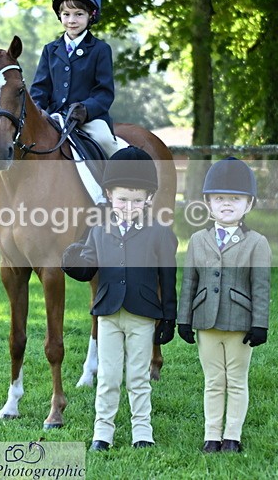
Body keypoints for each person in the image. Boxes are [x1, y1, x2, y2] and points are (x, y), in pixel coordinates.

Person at [62, 147, 177, 451]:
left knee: (138, 378)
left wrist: (169, 317)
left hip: (142, 315)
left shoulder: (160, 233)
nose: (129, 206)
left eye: (137, 200)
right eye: (123, 199)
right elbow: (88, 267)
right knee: (108, 377)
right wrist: (71, 261)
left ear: (149, 199)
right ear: (110, 195)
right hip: (108, 315)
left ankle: (143, 433)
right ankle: (103, 433)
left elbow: (168, 279)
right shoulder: (98, 230)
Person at [177, 157, 271, 453]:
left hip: (239, 323)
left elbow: (260, 285)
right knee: (213, 381)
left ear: (249, 204)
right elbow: (189, 282)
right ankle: (211, 436)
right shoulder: (196, 240)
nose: (227, 204)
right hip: (205, 320)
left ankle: (232, 436)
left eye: (235, 199)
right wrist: (184, 319)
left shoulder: (257, 242)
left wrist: (260, 323)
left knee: (237, 381)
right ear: (207, 202)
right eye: (219, 198)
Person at [30, 0, 120, 157]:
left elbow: (104, 92)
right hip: (54, 117)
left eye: (79, 14)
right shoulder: (50, 50)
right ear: (60, 16)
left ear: (91, 15)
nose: (72, 20)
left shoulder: (100, 49)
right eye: (66, 14)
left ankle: (119, 181)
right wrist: (35, 112)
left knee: (106, 142)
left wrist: (85, 110)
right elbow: (40, 88)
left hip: (89, 120)